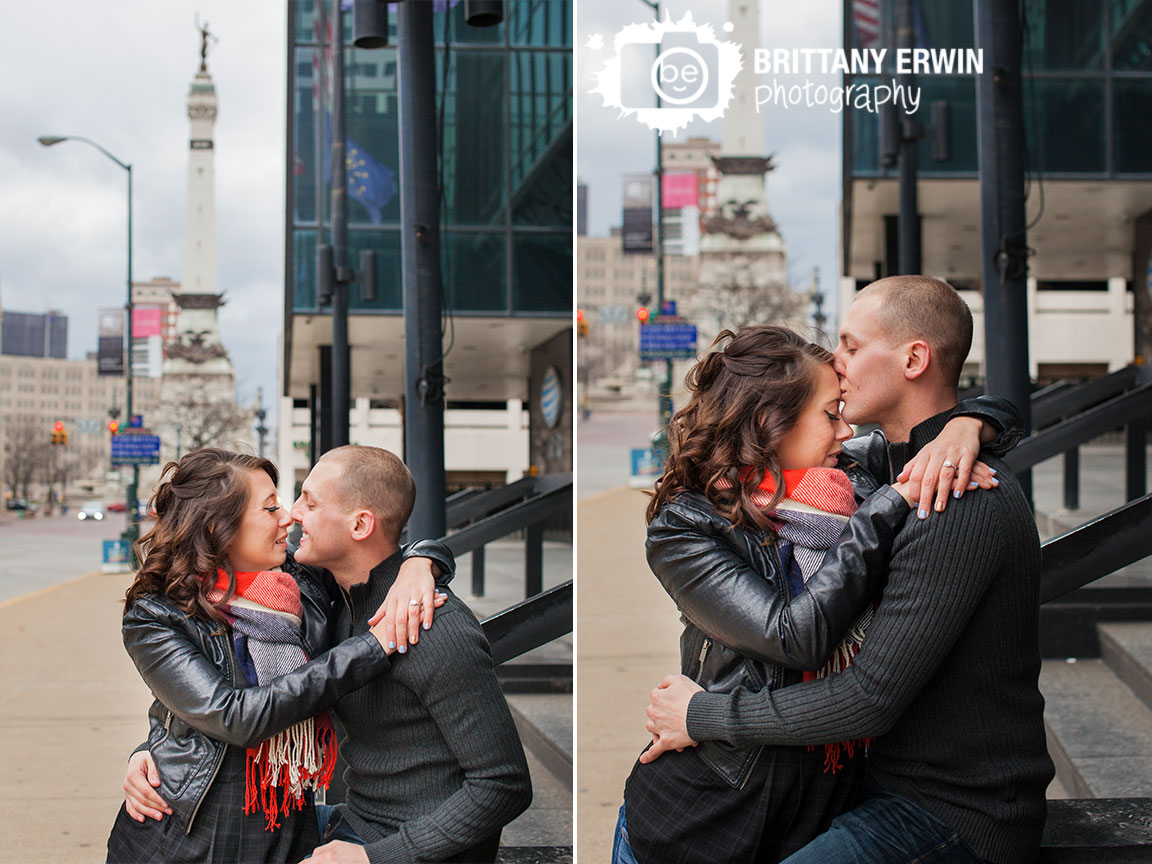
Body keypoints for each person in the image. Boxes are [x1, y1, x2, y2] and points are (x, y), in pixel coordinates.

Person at [645, 276, 1055, 864]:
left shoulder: (954, 494)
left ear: (914, 358)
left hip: (953, 808)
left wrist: (702, 714)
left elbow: (869, 700)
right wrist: (978, 420)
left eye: (852, 346)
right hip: (865, 787)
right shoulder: (881, 472)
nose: (837, 364)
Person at [128, 445, 533, 864]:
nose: (291, 515)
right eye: (274, 507)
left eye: (307, 501)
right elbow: (222, 704)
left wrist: (422, 562)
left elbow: (504, 784)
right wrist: (154, 748)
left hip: (348, 841)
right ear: (218, 528)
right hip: (228, 832)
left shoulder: (404, 617)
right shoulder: (314, 601)